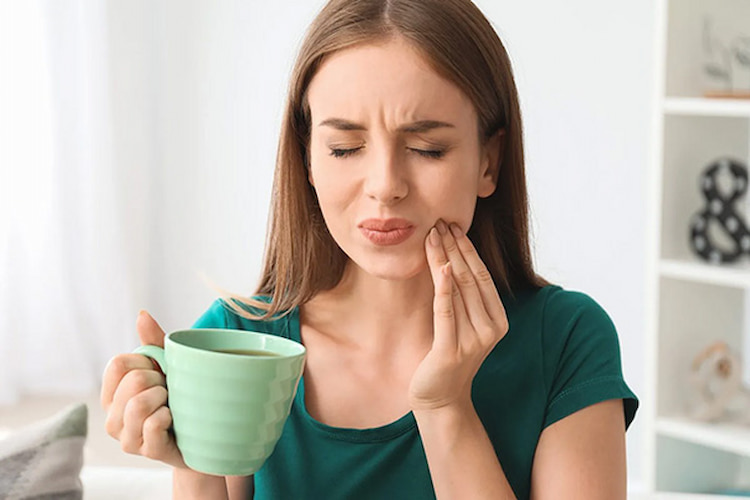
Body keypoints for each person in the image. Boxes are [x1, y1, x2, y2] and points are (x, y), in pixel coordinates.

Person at [101, 0, 639, 498]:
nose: (385, 185)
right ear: (308, 160)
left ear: (488, 162)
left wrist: (446, 408)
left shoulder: (567, 341)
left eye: (427, 148)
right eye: (345, 147)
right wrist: (193, 459)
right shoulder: (240, 344)